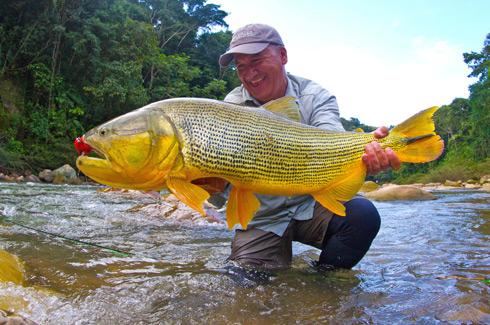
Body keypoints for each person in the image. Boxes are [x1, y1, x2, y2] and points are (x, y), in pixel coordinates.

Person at [216, 24, 401, 272]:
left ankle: (323, 285)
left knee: (362, 216)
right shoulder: (232, 108)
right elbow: (222, 188)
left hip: (311, 202)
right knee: (246, 288)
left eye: (257, 60)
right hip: (262, 217)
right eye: (241, 66)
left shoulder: (315, 96)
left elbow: (331, 141)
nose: (250, 73)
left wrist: (364, 156)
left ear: (283, 56)